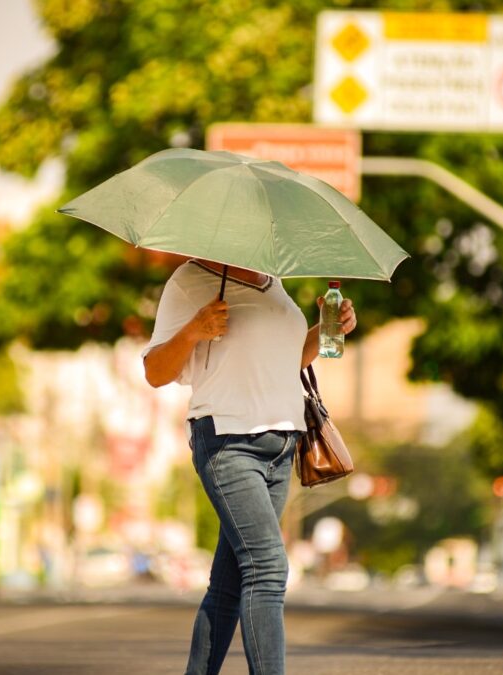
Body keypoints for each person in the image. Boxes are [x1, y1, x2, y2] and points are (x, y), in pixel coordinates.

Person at [142, 258, 356, 675]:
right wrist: (194, 329)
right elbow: (154, 371)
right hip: (227, 442)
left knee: (229, 584)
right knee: (268, 567)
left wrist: (329, 328)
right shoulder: (190, 280)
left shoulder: (271, 280)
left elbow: (288, 360)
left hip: (281, 447)